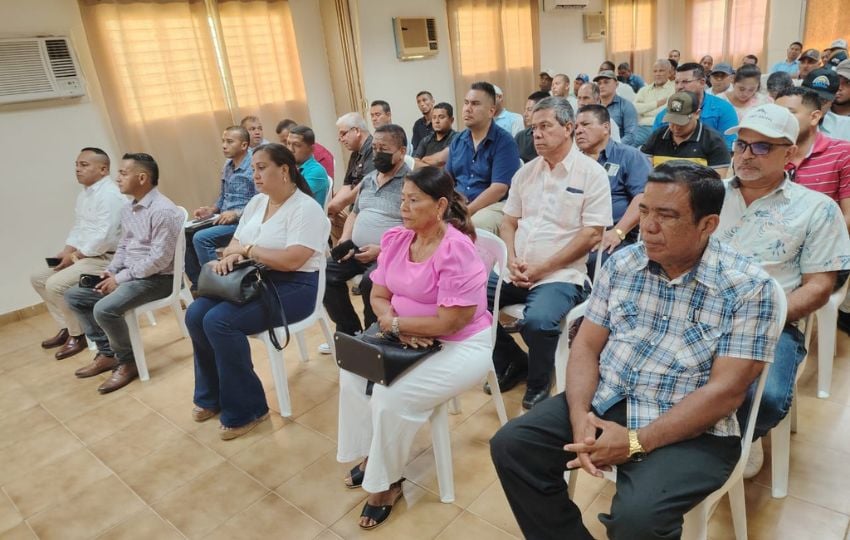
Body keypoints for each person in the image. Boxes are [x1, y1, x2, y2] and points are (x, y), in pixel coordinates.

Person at [490, 161, 782, 540]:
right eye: (644, 210)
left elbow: (724, 393)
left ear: (707, 225)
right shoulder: (624, 262)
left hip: (693, 424)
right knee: (513, 446)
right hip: (609, 397)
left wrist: (634, 442)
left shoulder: (749, 287)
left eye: (666, 215)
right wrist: (579, 413)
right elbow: (586, 345)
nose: (647, 226)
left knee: (637, 521)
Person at [337, 166, 493, 529]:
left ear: (439, 205)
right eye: (402, 199)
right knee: (352, 374)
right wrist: (395, 325)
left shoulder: (457, 250)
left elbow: (451, 322)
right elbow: (376, 293)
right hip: (402, 334)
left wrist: (395, 324)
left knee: (391, 397)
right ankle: (372, 456)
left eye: (413, 200)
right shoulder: (397, 239)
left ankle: (385, 481)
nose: (403, 207)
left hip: (461, 345)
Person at [716, 104, 850, 477]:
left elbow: (820, 286)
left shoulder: (817, 209)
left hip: (772, 320)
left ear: (789, 154)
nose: (746, 156)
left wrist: (766, 317)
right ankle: (694, 440)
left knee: (769, 399)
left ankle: (738, 440)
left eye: (761, 148)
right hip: (699, 312)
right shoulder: (709, 195)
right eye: (741, 145)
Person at [187, 143, 329, 440]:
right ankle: (211, 395)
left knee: (219, 321)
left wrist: (249, 250)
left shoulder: (306, 209)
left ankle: (249, 408)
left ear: (285, 170)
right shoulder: (256, 203)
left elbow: (292, 261)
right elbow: (235, 244)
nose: (255, 175)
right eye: (254, 169)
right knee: (197, 313)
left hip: (294, 287)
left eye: (261, 168)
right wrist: (229, 257)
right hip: (253, 277)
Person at [488, 96, 612, 410]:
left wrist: (542, 268)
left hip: (561, 273)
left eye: (546, 126)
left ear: (568, 128)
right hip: (518, 268)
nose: (537, 135)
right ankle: (514, 360)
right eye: (533, 128)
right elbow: (508, 221)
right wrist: (513, 257)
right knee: (468, 298)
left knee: (539, 322)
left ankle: (540, 381)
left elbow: (592, 234)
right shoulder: (526, 172)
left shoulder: (590, 174)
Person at [65, 153, 183, 394]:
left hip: (159, 279)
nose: (117, 178)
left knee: (104, 308)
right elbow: (124, 246)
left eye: (123, 173)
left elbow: (159, 260)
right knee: (74, 296)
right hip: (133, 274)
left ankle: (128, 362)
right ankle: (108, 354)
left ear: (142, 178)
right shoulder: (129, 209)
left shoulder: (163, 211)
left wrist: (120, 279)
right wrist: (111, 271)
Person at [31, 147, 125, 360]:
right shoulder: (84, 195)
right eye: (76, 165)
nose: (77, 169)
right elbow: (79, 228)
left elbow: (106, 237)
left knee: (55, 284)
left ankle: (79, 334)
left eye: (84, 165)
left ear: (103, 169)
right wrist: (66, 251)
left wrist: (75, 257)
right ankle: (67, 327)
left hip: (106, 258)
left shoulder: (110, 195)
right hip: (84, 255)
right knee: (38, 277)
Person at [324, 124, 409, 339]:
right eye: (376, 148)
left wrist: (381, 250)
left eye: (385, 148)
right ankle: (350, 329)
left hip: (391, 253)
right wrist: (344, 240)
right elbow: (354, 213)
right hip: (357, 248)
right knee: (323, 272)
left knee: (370, 282)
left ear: (401, 151)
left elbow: (413, 229)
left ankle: (375, 334)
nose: (378, 154)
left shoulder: (411, 183)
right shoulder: (369, 179)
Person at [575, 105, 651, 274]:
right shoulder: (573, 161)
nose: (579, 131)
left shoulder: (629, 156)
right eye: (576, 127)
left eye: (585, 124)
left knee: (595, 262)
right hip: (575, 232)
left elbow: (643, 196)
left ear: (606, 128)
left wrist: (618, 232)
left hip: (613, 234)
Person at [184, 126, 255, 291]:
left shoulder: (254, 166)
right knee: (183, 236)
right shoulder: (227, 165)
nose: (224, 145)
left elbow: (262, 202)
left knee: (201, 238)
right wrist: (211, 209)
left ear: (244, 145)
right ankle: (199, 286)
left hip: (244, 222)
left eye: (230, 142)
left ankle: (220, 285)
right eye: (223, 141)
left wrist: (236, 214)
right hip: (223, 219)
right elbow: (224, 196)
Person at [445, 81, 521, 234]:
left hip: (494, 205)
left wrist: (465, 211)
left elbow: (498, 189)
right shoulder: (458, 140)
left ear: (491, 111)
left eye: (475, 104)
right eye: (466, 103)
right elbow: (447, 180)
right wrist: (453, 202)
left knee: (475, 225)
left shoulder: (504, 142)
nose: (468, 108)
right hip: (460, 203)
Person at [775, 87, 850, 224]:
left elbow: (848, 217)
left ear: (814, 117)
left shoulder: (843, 153)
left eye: (789, 113)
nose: (780, 120)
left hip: (826, 240)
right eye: (776, 114)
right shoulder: (768, 154)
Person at [653, 62, 739, 150]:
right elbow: (654, 146)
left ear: (702, 83)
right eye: (677, 82)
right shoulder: (667, 113)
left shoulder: (723, 109)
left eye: (685, 82)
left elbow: (728, 148)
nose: (679, 87)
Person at [643, 91, 732, 177]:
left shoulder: (713, 141)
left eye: (681, 122)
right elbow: (643, 171)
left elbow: (717, 181)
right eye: (672, 121)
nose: (676, 127)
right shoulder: (657, 136)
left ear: (697, 114)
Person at [327, 112, 374, 240]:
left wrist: (341, 204)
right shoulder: (355, 153)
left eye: (343, 133)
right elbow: (347, 184)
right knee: (330, 215)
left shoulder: (374, 148)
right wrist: (331, 207)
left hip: (368, 208)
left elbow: (366, 184)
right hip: (355, 209)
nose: (340, 139)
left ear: (357, 130)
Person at [633, 59, 675, 146]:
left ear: (669, 73)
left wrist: (645, 109)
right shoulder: (644, 90)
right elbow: (635, 108)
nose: (657, 74)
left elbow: (666, 113)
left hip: (662, 127)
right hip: (642, 127)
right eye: (655, 71)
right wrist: (656, 104)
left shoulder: (674, 89)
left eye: (661, 71)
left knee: (629, 145)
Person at [286, 125, 330, 206]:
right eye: (288, 144)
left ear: (312, 149)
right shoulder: (291, 167)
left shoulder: (316, 171)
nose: (290, 149)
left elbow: (292, 199)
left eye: (296, 145)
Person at [802, 68, 850, 142]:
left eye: (822, 100)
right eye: (809, 98)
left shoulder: (846, 127)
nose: (815, 104)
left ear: (832, 100)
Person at [412, 102, 457, 169]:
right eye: (434, 117)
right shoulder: (425, 140)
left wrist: (424, 160)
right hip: (426, 177)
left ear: (451, 120)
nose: (437, 121)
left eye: (441, 117)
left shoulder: (457, 138)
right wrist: (434, 168)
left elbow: (440, 160)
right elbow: (415, 163)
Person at [515, 91, 551, 163]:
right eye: (525, 110)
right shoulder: (520, 137)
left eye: (529, 110)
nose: (525, 114)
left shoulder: (552, 134)